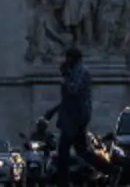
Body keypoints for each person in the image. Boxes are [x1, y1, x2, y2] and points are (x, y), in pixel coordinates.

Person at [43, 46, 96, 186]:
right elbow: (67, 99)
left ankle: (63, 182)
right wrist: (54, 111)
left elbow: (73, 90)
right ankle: (108, 169)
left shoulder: (81, 72)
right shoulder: (75, 72)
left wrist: (65, 77)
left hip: (76, 116)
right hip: (73, 115)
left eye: (68, 57)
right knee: (81, 150)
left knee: (64, 149)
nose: (66, 60)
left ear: (74, 58)